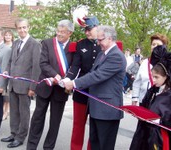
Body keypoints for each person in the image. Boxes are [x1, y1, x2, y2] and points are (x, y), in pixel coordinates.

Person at [64, 25, 126, 150]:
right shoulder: (102, 54)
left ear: (109, 38)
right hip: (97, 108)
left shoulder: (116, 56)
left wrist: (74, 83)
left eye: (100, 40)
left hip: (107, 109)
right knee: (95, 143)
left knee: (104, 145)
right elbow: (91, 73)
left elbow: (97, 76)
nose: (98, 43)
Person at [26, 19, 75, 150]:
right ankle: (31, 146)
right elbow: (43, 63)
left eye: (62, 32)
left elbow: (75, 67)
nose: (58, 34)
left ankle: (49, 147)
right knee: (37, 118)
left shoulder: (73, 47)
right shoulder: (47, 43)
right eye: (57, 31)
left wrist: (66, 80)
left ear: (70, 33)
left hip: (61, 90)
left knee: (55, 121)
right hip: (45, 86)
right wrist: (55, 75)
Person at [1, 18, 41, 148]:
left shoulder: (35, 44)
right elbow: (11, 61)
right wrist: (7, 70)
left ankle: (20, 137)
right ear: (16, 29)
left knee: (24, 113)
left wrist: (33, 87)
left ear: (28, 27)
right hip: (12, 84)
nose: (22, 30)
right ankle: (13, 133)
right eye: (19, 28)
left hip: (26, 87)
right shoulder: (16, 43)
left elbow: (36, 67)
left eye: (24, 27)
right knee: (14, 112)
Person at [62, 16, 101, 150]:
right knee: (78, 124)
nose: (87, 32)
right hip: (82, 89)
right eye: (85, 30)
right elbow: (75, 66)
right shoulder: (81, 44)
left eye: (89, 29)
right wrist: (68, 79)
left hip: (98, 90)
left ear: (97, 27)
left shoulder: (104, 43)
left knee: (95, 125)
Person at [130, 45, 171, 150]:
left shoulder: (168, 95)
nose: (154, 80)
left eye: (156, 77)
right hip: (145, 133)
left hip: (160, 138)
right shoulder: (152, 90)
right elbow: (144, 106)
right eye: (152, 76)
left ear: (166, 76)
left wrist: (159, 121)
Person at [132, 33, 168, 105]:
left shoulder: (167, 63)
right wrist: (135, 98)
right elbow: (137, 82)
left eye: (158, 45)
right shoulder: (145, 63)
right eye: (153, 44)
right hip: (144, 101)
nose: (155, 47)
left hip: (161, 103)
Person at [2, 29, 14, 120]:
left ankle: (6, 112)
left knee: (7, 95)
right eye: (6, 35)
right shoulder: (2, 46)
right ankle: (2, 110)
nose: (8, 37)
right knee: (2, 94)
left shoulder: (14, 46)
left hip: (10, 72)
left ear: (12, 37)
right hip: (2, 71)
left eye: (9, 35)